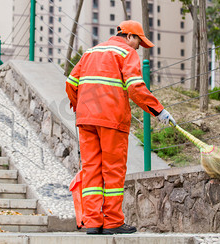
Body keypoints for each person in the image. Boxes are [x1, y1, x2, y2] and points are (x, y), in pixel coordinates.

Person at [65, 20, 176, 235]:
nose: (138, 48)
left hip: (86, 120)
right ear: (129, 36)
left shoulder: (91, 52)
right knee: (113, 171)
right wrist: (158, 110)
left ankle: (93, 222)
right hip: (112, 119)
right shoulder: (126, 53)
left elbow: (71, 82)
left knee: (91, 170)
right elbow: (135, 87)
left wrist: (80, 106)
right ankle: (113, 221)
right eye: (138, 42)